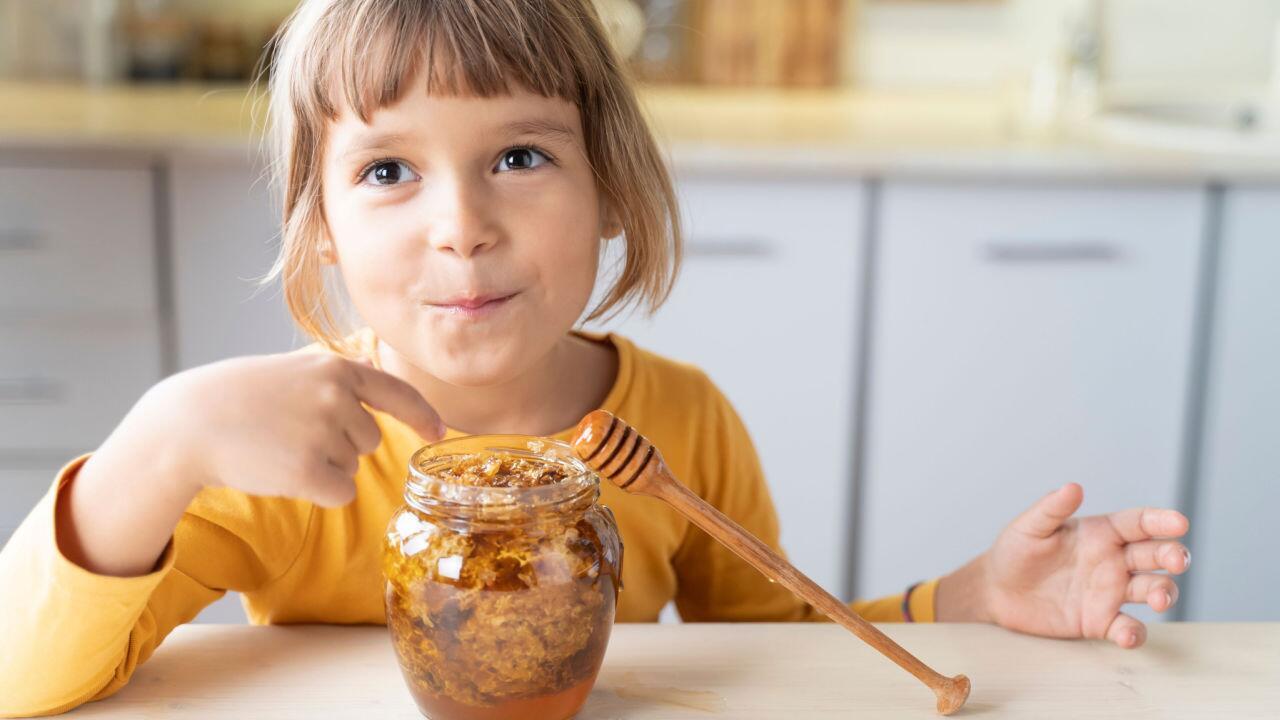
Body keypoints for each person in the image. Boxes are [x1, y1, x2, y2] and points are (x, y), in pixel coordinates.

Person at [0, 0, 1190, 715]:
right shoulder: (279, 455)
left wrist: (968, 603)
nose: (459, 224)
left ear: (610, 188)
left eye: (518, 156)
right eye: (386, 170)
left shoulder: (680, 421)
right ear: (318, 225)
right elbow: (22, 679)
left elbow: (772, 661)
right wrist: (158, 444)